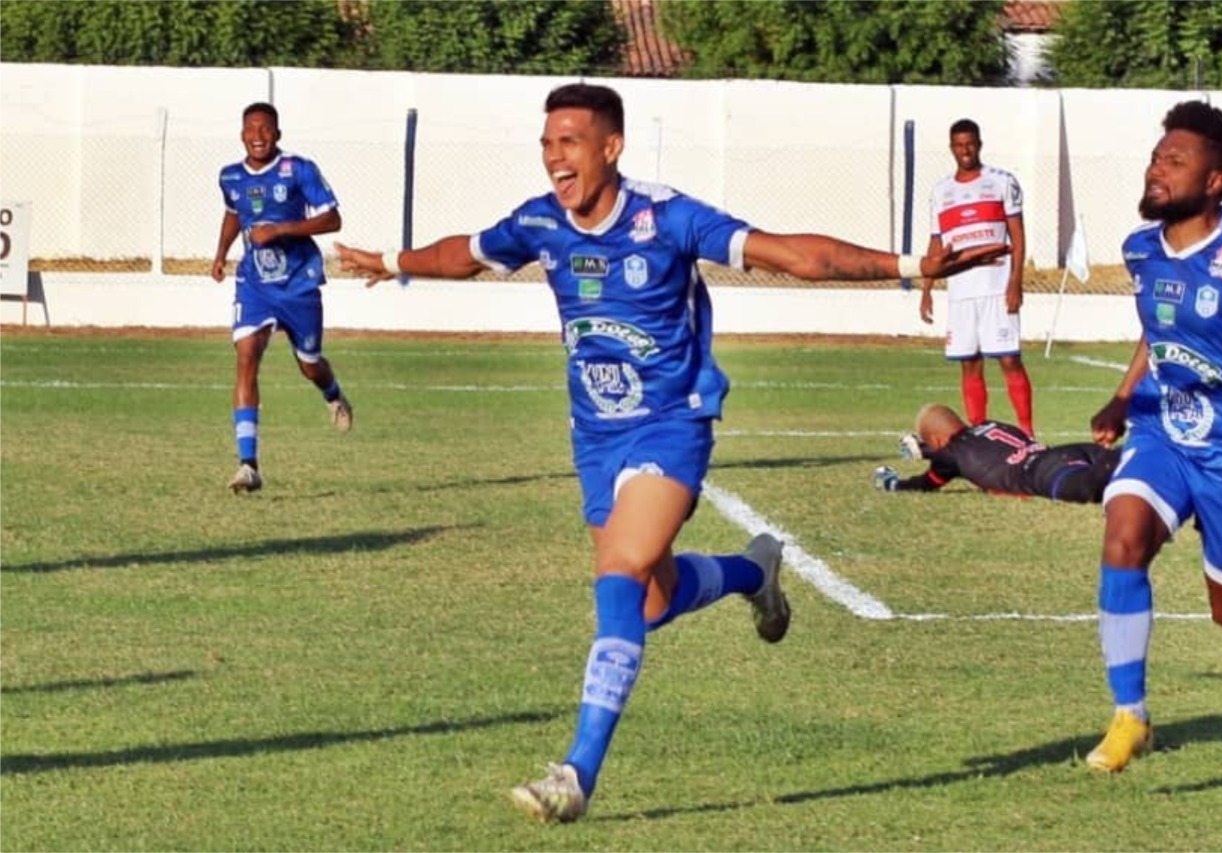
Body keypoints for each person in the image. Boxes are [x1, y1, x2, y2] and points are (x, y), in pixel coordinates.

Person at [336, 83, 1007, 823]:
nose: (555, 157)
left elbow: (791, 255)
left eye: (570, 142)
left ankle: (576, 771)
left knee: (618, 579)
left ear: (610, 148)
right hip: (594, 434)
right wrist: (392, 257)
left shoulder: (667, 218)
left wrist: (911, 266)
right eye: (547, 142)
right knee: (648, 601)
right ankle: (753, 569)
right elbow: (466, 254)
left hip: (671, 424)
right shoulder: (540, 221)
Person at [1085, 100, 1222, 772]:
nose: (1156, 169)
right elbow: (1157, 329)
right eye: (1156, 156)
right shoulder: (1141, 251)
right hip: (1165, 431)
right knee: (1124, 533)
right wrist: (1120, 393)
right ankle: (1129, 715)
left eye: (1176, 160)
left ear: (1216, 180)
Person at [211, 102, 353, 494]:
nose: (258, 136)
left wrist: (281, 230)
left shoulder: (298, 169)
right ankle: (248, 464)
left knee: (309, 364)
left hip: (299, 282)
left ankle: (333, 393)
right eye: (251, 129)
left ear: (277, 134)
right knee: (246, 355)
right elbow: (233, 213)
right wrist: (221, 253)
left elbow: (332, 218)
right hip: (255, 283)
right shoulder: (230, 176)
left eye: (265, 129)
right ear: (242, 134)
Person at [918, 119, 1035, 436]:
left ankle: (1027, 434)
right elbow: (936, 242)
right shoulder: (941, 191)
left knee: (1009, 359)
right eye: (958, 145)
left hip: (996, 287)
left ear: (979, 144)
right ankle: (979, 433)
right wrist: (927, 289)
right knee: (969, 362)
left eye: (970, 143)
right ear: (951, 148)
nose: (965, 150)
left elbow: (1018, 236)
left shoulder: (1002, 181)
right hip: (960, 291)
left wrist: (1015, 282)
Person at [872, 403, 1120, 502]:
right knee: (1127, 461)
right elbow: (986, 451)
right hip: (1063, 452)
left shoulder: (951, 455)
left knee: (1091, 487)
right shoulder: (987, 425)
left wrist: (895, 485)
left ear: (937, 440)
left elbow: (927, 483)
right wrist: (924, 451)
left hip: (1041, 473)